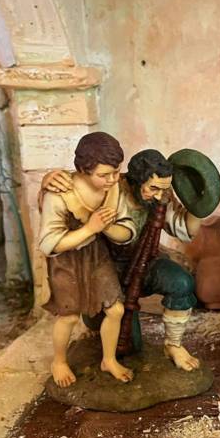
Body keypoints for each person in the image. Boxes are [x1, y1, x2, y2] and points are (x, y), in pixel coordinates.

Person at [42, 149, 208, 371]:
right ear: (137, 180)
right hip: (106, 270)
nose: (159, 195)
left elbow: (185, 229)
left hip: (144, 262)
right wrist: (49, 180)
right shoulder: (111, 187)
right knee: (128, 345)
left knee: (181, 283)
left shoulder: (161, 194)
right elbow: (79, 188)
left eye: (163, 189)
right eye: (153, 189)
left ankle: (173, 345)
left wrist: (200, 205)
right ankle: (94, 321)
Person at [37, 132, 136, 387]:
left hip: (95, 255)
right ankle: (59, 361)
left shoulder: (113, 188)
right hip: (66, 261)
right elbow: (48, 243)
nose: (112, 179)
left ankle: (109, 360)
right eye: (104, 175)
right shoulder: (60, 193)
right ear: (83, 170)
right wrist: (90, 228)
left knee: (115, 309)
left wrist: (108, 228)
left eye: (116, 172)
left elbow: (127, 230)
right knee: (69, 317)